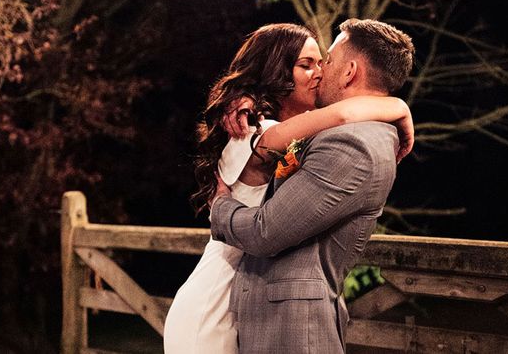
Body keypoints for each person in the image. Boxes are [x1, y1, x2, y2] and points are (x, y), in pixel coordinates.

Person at [163, 23, 413, 354]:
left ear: (350, 71)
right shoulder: (250, 128)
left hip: (244, 305)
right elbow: (341, 115)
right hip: (214, 303)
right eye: (306, 64)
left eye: (323, 60)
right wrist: (397, 107)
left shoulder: (316, 137)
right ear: (278, 72)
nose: (320, 71)